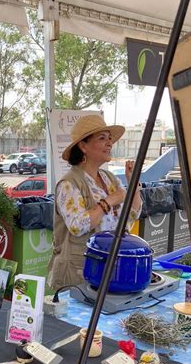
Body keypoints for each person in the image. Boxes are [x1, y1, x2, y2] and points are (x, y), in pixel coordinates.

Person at [48, 114, 142, 290]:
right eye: (102, 138)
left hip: (108, 270)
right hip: (77, 274)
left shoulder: (109, 179)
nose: (109, 143)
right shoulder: (69, 183)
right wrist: (110, 201)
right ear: (83, 145)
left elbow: (128, 218)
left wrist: (134, 184)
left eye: (110, 138)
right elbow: (78, 225)